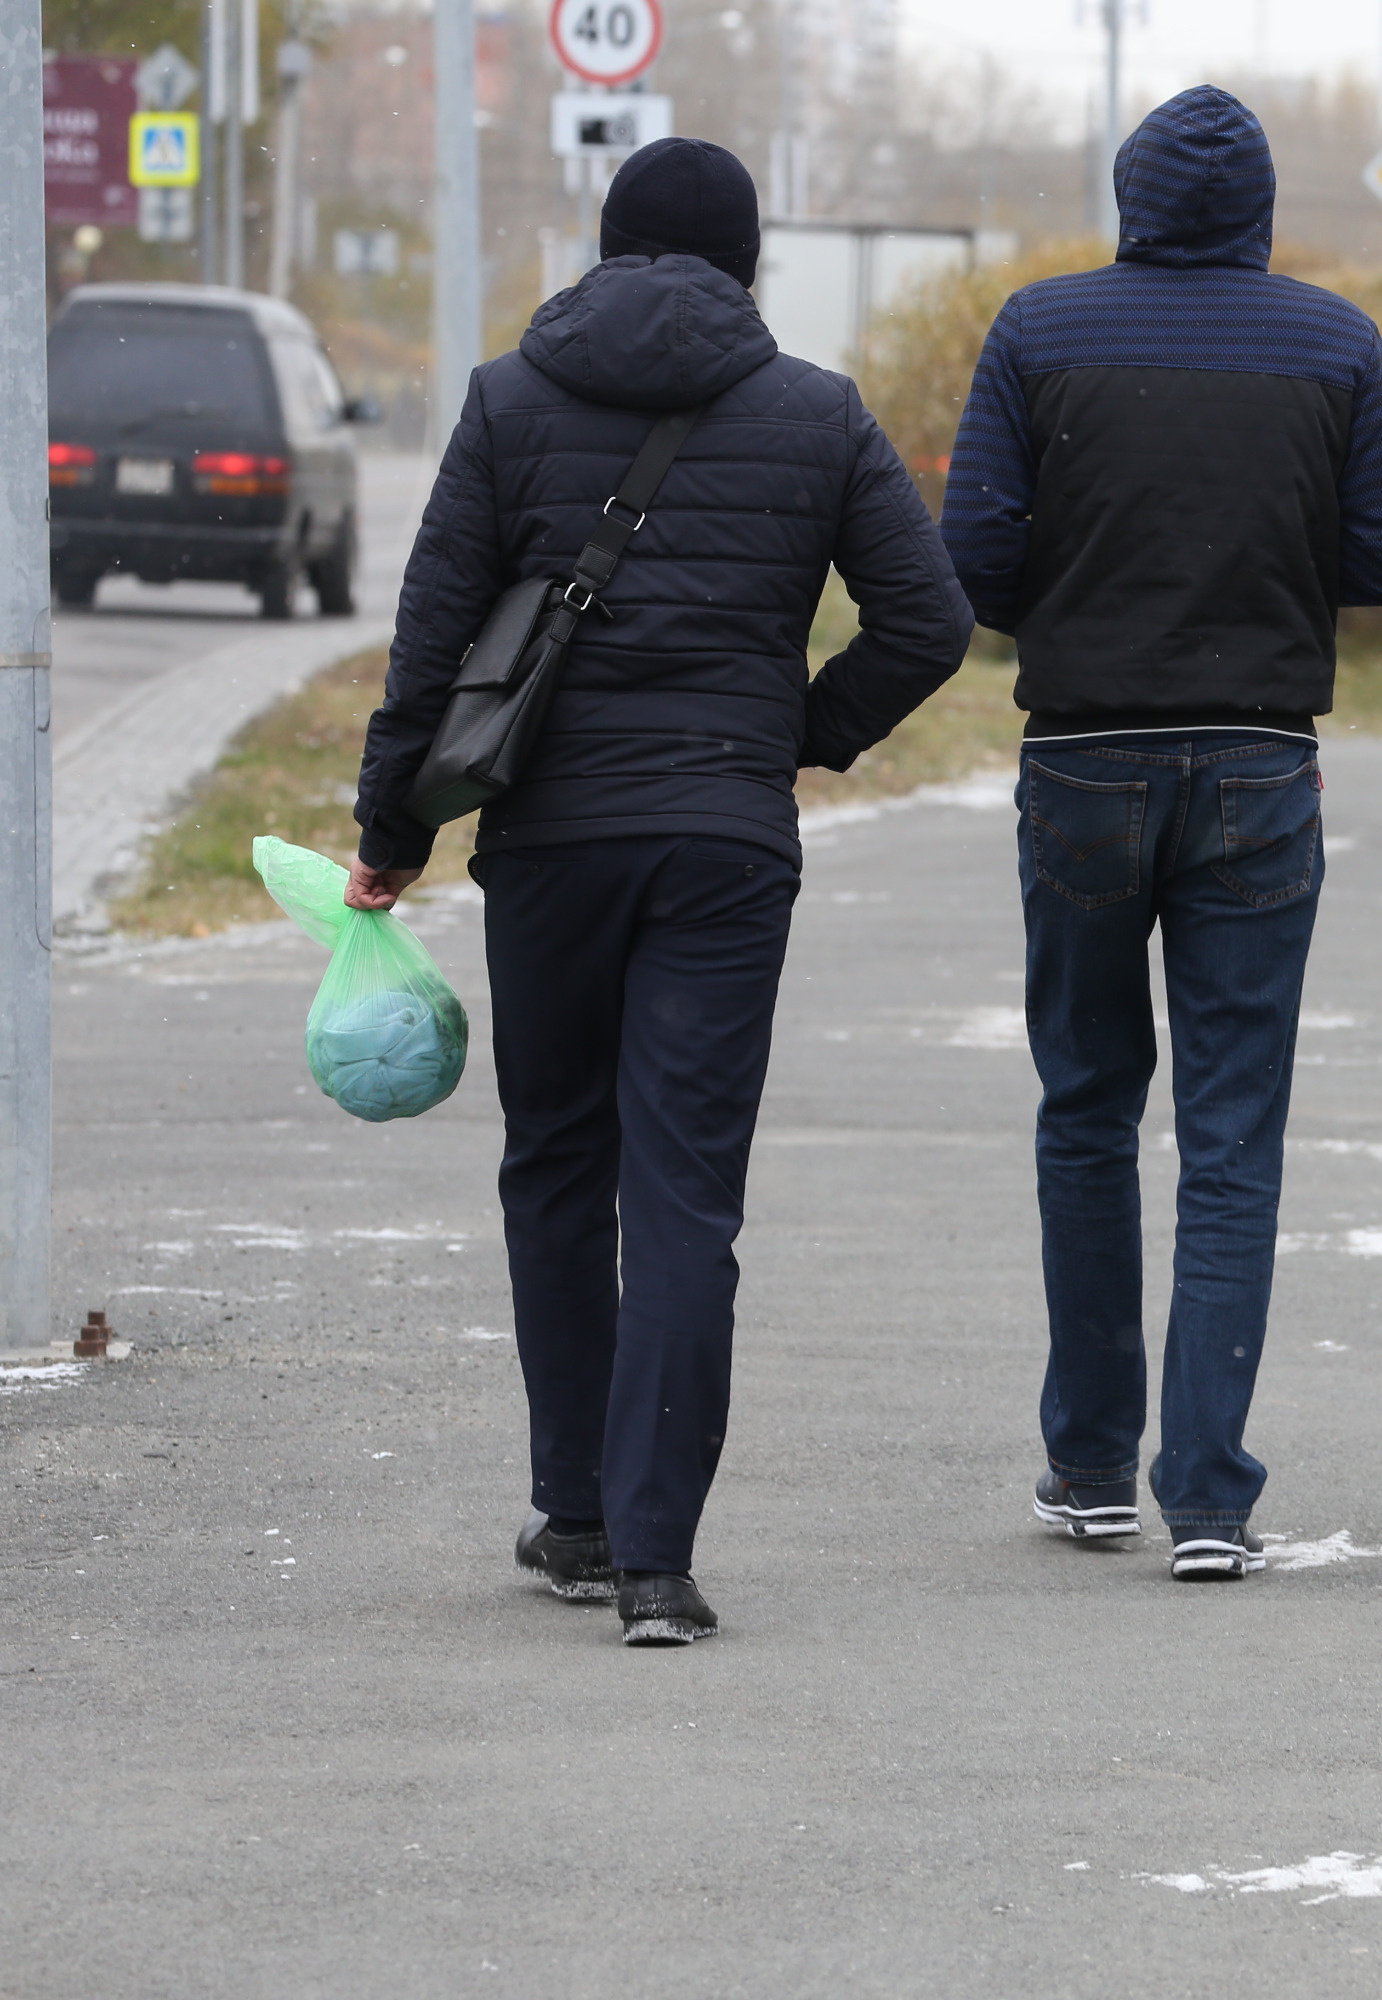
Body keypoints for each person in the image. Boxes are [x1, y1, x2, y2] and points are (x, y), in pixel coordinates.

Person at [349, 138, 976, 1644]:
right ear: (748, 262)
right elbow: (932, 621)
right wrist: (794, 736)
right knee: (684, 1190)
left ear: (608, 251)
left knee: (558, 1162)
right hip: (723, 845)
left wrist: (394, 833)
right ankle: (653, 1560)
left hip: (551, 846)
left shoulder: (509, 399)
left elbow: (431, 644)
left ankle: (572, 1512)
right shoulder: (816, 414)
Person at [939, 87, 1382, 1581]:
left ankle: (1090, 1466)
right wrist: (1271, 575)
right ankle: (1209, 1495)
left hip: (1082, 758)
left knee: (1086, 1108)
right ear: (1261, 210)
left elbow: (969, 554)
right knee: (1233, 1134)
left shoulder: (1040, 329)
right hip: (1261, 767)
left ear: (1131, 196)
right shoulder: (1336, 343)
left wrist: (1081, 605)